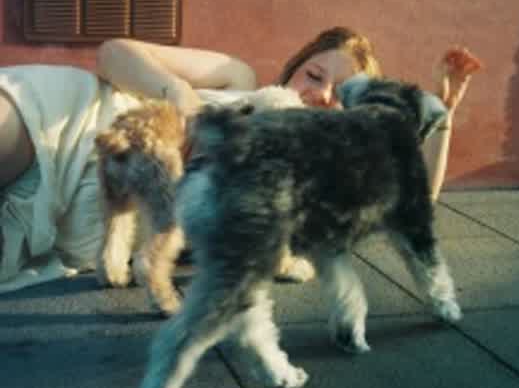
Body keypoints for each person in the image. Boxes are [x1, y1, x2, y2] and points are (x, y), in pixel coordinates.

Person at [0, 26, 477, 292]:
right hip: (76, 122)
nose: (320, 94)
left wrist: (443, 118)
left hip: (66, 225)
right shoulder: (239, 80)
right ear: (292, 70)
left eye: (338, 97)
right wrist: (180, 97)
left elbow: (411, 209)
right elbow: (113, 53)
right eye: (314, 75)